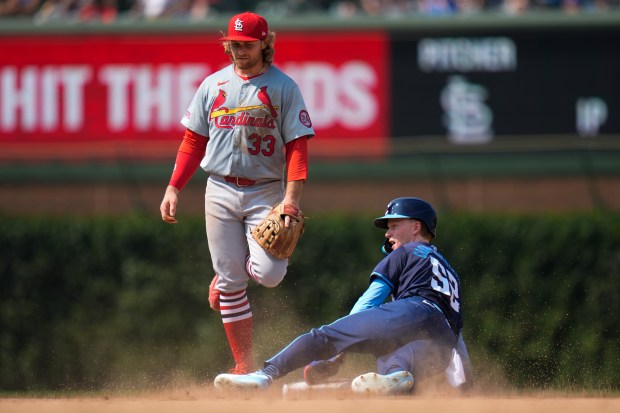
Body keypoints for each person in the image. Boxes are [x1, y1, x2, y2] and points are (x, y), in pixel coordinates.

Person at [159, 11, 314, 375]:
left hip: (265, 192)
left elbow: (297, 147)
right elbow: (194, 141)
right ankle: (244, 365)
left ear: (264, 43)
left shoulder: (283, 87)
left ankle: (229, 271)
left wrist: (292, 199)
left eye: (246, 44)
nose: (238, 50)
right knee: (231, 283)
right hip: (220, 190)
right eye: (232, 44)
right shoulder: (212, 85)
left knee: (271, 273)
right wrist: (173, 187)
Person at [213, 197, 473, 395]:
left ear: (416, 227)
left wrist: (337, 351)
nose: (388, 233)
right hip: (443, 339)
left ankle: (264, 375)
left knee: (324, 337)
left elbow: (370, 301)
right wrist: (465, 384)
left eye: (394, 225)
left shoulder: (406, 253)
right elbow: (456, 335)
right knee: (393, 367)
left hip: (414, 309)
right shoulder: (450, 272)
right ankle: (396, 378)